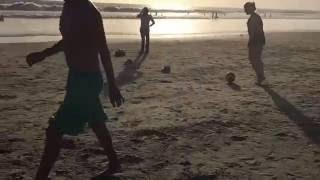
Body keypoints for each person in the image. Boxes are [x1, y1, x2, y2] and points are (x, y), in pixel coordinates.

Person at [26, 0, 124, 179]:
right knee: (96, 121)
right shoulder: (69, 5)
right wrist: (44, 54)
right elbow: (69, 40)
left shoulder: (89, 12)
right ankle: (114, 162)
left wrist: (112, 84)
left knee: (55, 129)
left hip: (87, 80)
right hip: (76, 76)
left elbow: (103, 49)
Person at [244, 2, 267, 85]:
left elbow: (254, 31)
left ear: (250, 8)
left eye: (245, 8)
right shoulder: (255, 17)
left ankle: (260, 76)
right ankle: (260, 76)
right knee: (256, 59)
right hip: (259, 40)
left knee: (254, 59)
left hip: (256, 40)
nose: (244, 10)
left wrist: (251, 41)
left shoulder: (254, 18)